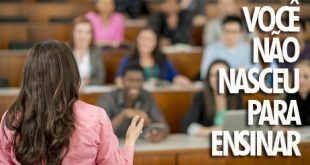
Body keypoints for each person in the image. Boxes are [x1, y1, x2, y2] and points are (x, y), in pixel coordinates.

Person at [0, 40, 143, 164]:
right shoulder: (96, 117)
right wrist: (130, 141)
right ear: (72, 73)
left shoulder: (12, 118)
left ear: (28, 76)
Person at [98, 62, 169, 143]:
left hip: (139, 146)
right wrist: (124, 114)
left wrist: (157, 132)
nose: (134, 84)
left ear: (143, 82)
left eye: (138, 80)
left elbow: (164, 126)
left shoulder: (148, 97)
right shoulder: (107, 99)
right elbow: (100, 131)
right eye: (130, 80)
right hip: (112, 147)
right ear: (123, 81)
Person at [182, 60, 243, 137]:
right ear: (209, 79)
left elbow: (241, 123)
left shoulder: (236, 96)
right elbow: (186, 125)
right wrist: (210, 131)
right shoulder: (200, 97)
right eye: (213, 75)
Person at [115, 27, 191, 87]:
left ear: (155, 43)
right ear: (137, 40)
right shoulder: (128, 60)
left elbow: (174, 76)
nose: (146, 42)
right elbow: (119, 79)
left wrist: (181, 80)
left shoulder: (163, 60)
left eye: (150, 40)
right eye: (143, 38)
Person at [200, 15, 261, 80]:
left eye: (234, 32)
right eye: (227, 31)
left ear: (241, 33)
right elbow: (204, 73)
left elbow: (259, 73)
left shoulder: (249, 49)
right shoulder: (211, 49)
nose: (230, 36)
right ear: (222, 31)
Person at [69, 16, 105, 88]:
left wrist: (86, 83)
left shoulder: (96, 51)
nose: (83, 36)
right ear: (72, 33)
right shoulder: (65, 50)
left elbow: (100, 78)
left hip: (89, 92)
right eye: (79, 32)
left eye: (87, 32)